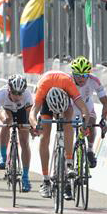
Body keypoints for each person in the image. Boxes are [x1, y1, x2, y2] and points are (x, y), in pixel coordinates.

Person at [28, 71, 91, 200]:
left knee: (68, 122)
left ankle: (68, 163)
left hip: (64, 98)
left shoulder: (68, 84)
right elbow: (33, 112)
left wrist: (85, 121)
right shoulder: (43, 87)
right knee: (44, 136)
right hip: (47, 99)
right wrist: (35, 125)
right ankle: (45, 180)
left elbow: (84, 108)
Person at [0, 75, 34, 192]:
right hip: (7, 110)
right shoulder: (1, 94)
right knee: (6, 121)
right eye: (15, 93)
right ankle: (3, 156)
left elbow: (30, 116)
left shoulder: (27, 95)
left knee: (24, 142)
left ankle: (25, 177)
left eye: (20, 93)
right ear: (9, 90)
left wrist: (33, 127)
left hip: (22, 112)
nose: (17, 96)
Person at [69, 56, 107, 168]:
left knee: (91, 123)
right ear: (73, 74)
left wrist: (103, 119)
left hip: (86, 105)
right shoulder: (67, 80)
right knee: (67, 130)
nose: (81, 79)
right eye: (77, 75)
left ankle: (90, 150)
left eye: (84, 75)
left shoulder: (94, 80)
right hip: (71, 106)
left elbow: (106, 103)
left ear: (89, 74)